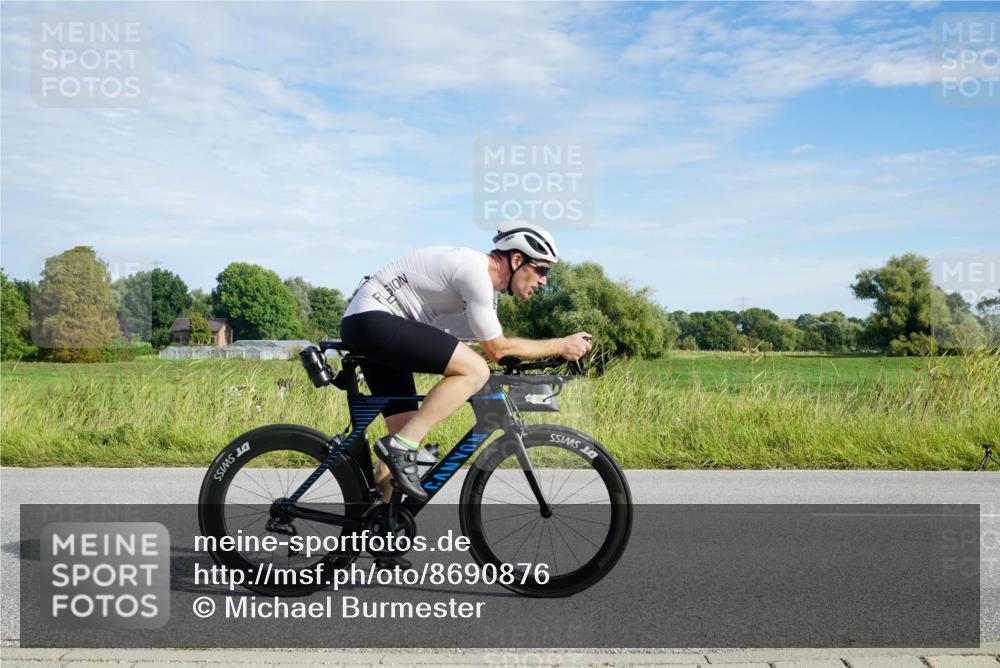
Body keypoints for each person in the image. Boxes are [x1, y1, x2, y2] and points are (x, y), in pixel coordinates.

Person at [339, 221, 592, 502]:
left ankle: (380, 518)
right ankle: (401, 447)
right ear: (517, 260)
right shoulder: (475, 273)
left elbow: (488, 346)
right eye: (542, 270)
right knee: (471, 374)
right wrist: (560, 345)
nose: (544, 280)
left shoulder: (485, 290)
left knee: (403, 436)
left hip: (377, 327)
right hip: (374, 320)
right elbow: (497, 349)